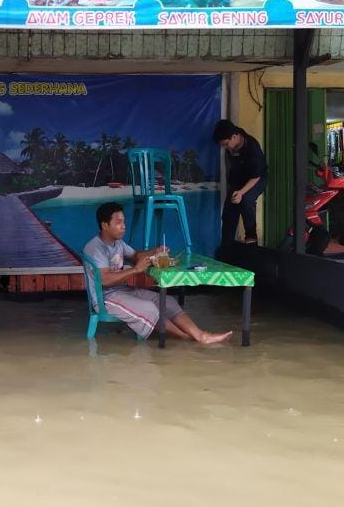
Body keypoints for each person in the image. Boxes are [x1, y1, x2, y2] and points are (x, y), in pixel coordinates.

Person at [83, 202, 232, 345]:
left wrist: (155, 251)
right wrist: (135, 269)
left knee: (168, 302)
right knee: (150, 309)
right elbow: (104, 280)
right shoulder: (96, 248)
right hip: (105, 298)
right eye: (118, 223)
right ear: (104, 225)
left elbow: (135, 256)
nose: (124, 227)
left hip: (121, 291)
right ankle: (189, 338)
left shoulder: (118, 243)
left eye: (124, 222)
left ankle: (199, 335)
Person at [212, 119, 267, 256]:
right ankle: (226, 248)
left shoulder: (252, 147)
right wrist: (235, 191)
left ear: (235, 137)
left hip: (257, 178)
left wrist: (241, 193)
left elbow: (256, 176)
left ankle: (251, 238)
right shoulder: (231, 144)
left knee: (246, 200)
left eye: (225, 144)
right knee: (230, 210)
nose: (225, 147)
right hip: (239, 181)